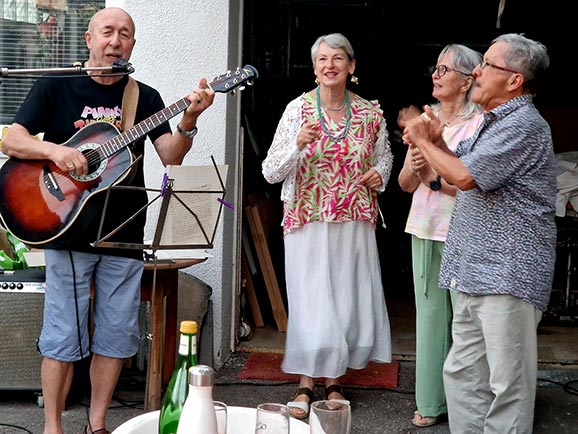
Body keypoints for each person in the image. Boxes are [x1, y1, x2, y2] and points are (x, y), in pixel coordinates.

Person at [1, 7, 215, 434]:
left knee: (116, 335)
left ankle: (97, 424)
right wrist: (56, 152)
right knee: (63, 335)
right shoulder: (55, 86)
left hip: (123, 233)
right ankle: (52, 426)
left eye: (125, 34)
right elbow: (11, 138)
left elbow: (170, 156)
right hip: (67, 228)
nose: (115, 41)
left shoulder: (145, 97)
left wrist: (190, 119)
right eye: (108, 32)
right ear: (89, 39)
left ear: (132, 45)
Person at [401, 33, 556, 434]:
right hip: (471, 270)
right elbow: (456, 172)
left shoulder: (523, 124)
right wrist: (435, 144)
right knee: (463, 373)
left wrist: (423, 141)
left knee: (506, 385)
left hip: (507, 275)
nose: (478, 72)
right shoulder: (491, 122)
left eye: (487, 64)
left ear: (514, 80)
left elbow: (466, 177)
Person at [262, 32, 393, 419]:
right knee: (311, 299)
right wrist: (297, 145)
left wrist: (378, 176)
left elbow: (384, 158)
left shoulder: (371, 114)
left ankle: (335, 380)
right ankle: (305, 383)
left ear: (351, 67)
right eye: (322, 59)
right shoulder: (297, 110)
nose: (330, 65)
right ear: (315, 68)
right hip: (307, 216)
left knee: (345, 297)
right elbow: (270, 171)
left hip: (353, 217)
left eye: (338, 58)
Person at [397, 44, 483, 428]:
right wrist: (416, 166)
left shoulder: (481, 124)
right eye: (436, 67)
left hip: (466, 232)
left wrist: (432, 177)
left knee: (468, 321)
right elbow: (403, 184)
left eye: (445, 70)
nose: (436, 74)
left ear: (466, 82)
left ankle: (466, 402)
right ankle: (430, 401)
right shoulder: (425, 119)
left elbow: (473, 184)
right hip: (426, 229)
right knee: (431, 318)